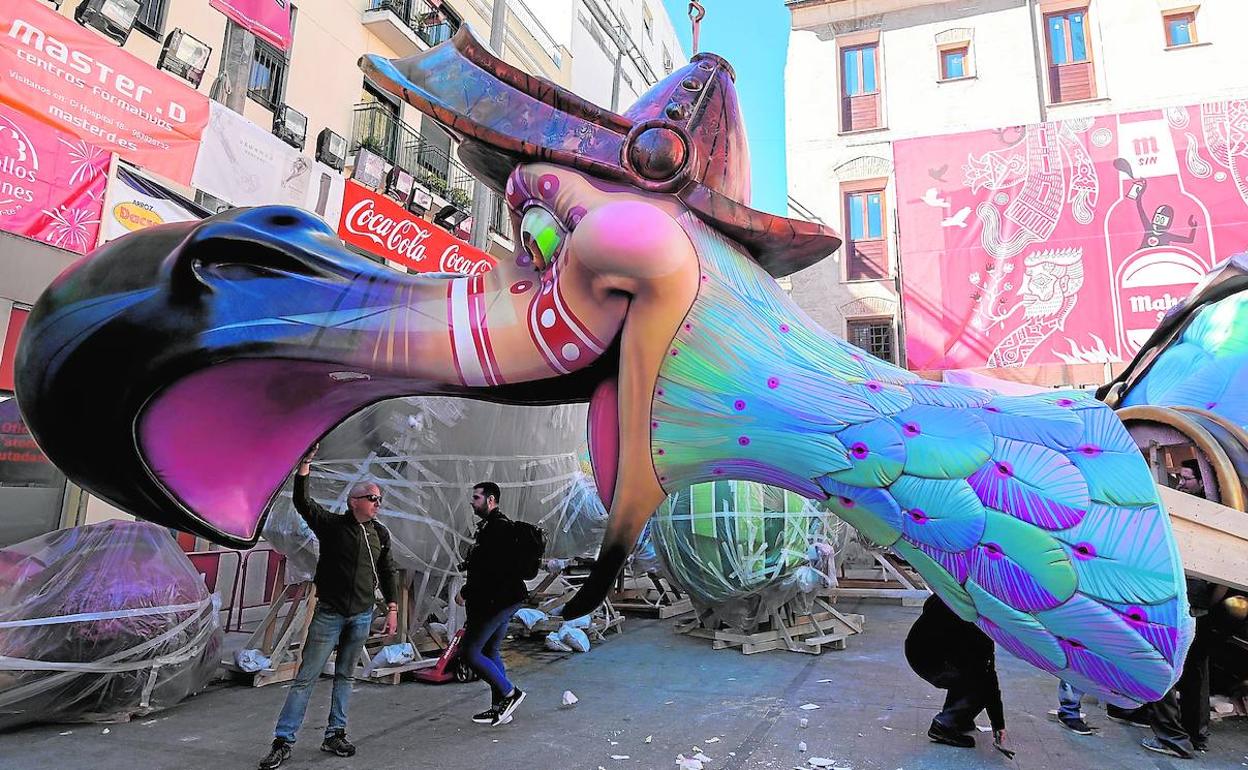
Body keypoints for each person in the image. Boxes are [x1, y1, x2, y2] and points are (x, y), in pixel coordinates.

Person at [258, 445, 399, 770]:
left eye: (379, 499)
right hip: (331, 614)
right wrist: (305, 465)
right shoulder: (333, 526)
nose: (378, 504)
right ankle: (283, 740)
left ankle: (335, 733)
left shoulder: (379, 533)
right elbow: (302, 503)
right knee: (306, 677)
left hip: (361, 615)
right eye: (372, 498)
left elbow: (387, 570)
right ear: (355, 502)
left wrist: (392, 607)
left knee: (346, 676)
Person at [456, 481, 528, 727]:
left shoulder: (497, 529)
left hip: (497, 601)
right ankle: (501, 708)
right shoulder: (489, 527)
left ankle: (510, 693)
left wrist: (466, 592)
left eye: (476, 498)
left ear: (490, 500)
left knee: (469, 652)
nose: (472, 502)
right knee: (489, 651)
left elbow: (489, 571)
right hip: (504, 599)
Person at [906, 594, 1010, 755]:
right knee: (980, 682)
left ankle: (957, 718)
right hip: (931, 659)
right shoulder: (978, 626)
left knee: (970, 670)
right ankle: (944, 725)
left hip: (917, 648)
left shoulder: (960, 593)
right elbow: (988, 678)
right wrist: (998, 723)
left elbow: (929, 604)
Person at [1141, 578, 1226, 759]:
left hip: (1173, 599)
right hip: (1200, 604)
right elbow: (1223, 585)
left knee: (1164, 665)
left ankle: (1171, 738)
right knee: (1196, 669)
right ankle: (1196, 735)